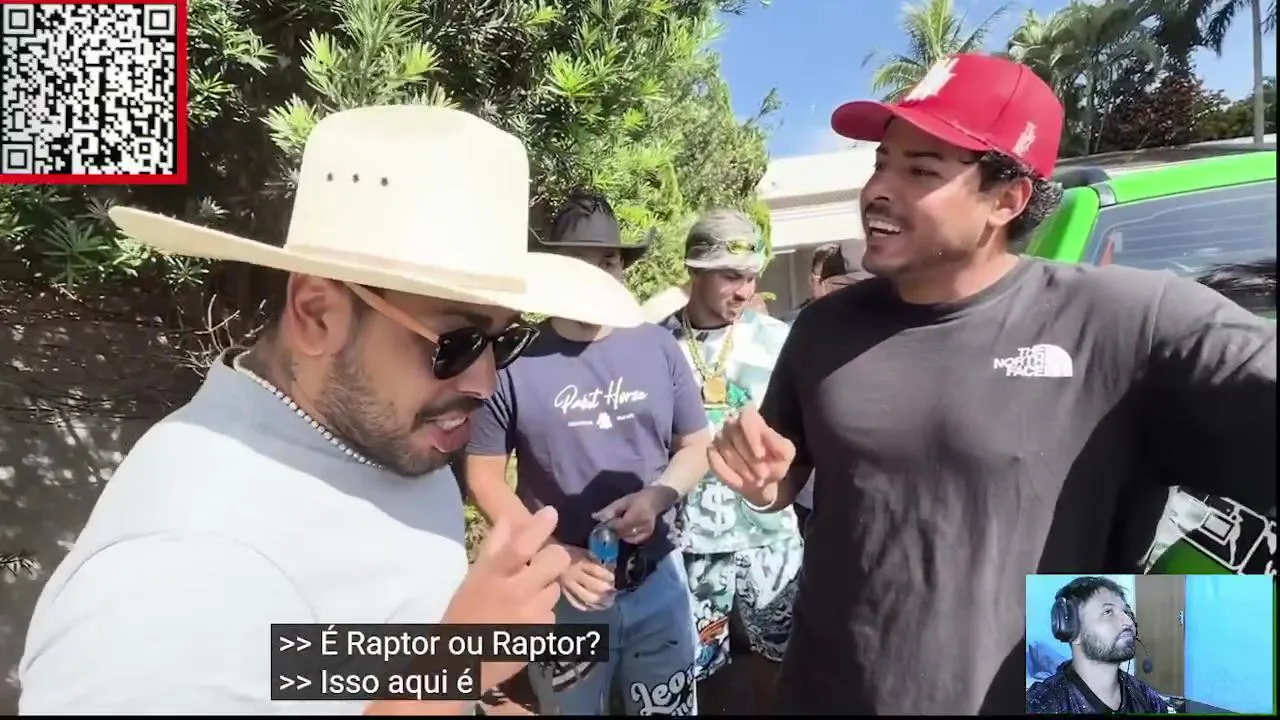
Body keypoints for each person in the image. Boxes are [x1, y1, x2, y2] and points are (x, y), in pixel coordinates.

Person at [17, 106, 645, 714]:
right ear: (318, 314)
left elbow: (301, 668)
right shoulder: (180, 565)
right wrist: (453, 666)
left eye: (504, 341)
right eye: (457, 342)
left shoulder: (378, 439)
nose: (485, 380)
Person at [704, 53, 1277, 715]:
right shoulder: (824, 327)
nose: (879, 190)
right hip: (830, 693)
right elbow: (790, 476)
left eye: (921, 170)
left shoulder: (1127, 322)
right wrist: (767, 484)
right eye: (881, 163)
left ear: (1007, 199)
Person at [461, 189, 710, 716]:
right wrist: (556, 554)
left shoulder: (657, 347)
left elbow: (696, 446)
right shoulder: (514, 360)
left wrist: (658, 497)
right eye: (580, 262)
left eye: (609, 259)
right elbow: (483, 476)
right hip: (564, 595)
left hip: (658, 581)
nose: (597, 273)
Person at [652, 209, 802, 712]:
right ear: (695, 270)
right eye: (731, 276)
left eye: (751, 277)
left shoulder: (780, 340)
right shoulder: (655, 345)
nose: (744, 291)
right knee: (699, 677)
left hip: (771, 539)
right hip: (691, 543)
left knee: (785, 670)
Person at [1026, 577, 1169, 714]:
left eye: (1126, 612)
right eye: (1108, 612)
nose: (1128, 622)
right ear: (1073, 631)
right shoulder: (1042, 704)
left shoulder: (1143, 695)